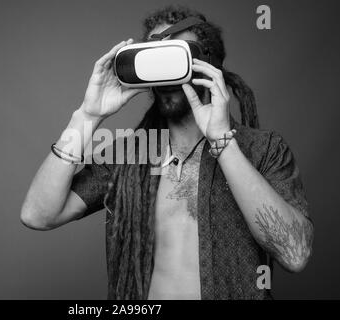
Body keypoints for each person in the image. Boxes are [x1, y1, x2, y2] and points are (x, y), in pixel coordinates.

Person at [20, 6, 313, 300]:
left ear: (208, 64)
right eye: (155, 60)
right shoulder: (129, 155)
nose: (165, 76)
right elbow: (38, 214)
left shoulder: (263, 150)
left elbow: (295, 254)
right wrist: (87, 116)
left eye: (174, 58)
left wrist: (224, 145)